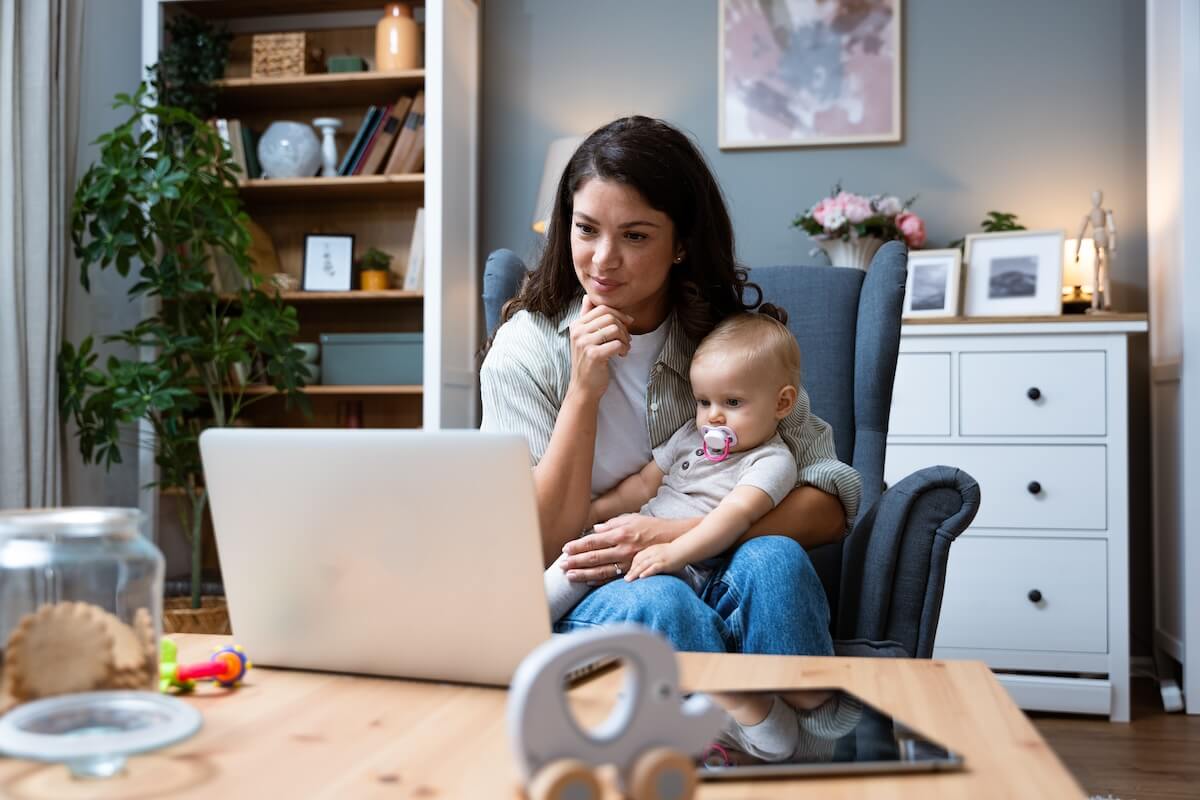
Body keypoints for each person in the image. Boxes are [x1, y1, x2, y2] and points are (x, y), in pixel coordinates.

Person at [480, 115, 861, 655]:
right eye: (586, 229)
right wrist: (584, 391)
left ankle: (798, 738)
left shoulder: (730, 340)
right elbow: (539, 546)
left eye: (634, 236)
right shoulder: (527, 349)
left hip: (714, 571)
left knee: (776, 561)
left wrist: (674, 536)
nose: (603, 260)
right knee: (662, 600)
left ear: (681, 243)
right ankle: (715, 735)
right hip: (592, 590)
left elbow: (830, 502)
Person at [544, 311, 802, 622]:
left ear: (782, 403)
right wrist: (593, 512)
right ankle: (524, 626)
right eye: (704, 402)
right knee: (575, 562)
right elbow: (642, 484)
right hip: (635, 534)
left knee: (658, 598)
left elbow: (732, 517)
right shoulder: (691, 436)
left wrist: (672, 552)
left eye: (732, 403)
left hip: (689, 563)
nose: (713, 417)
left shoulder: (771, 461)